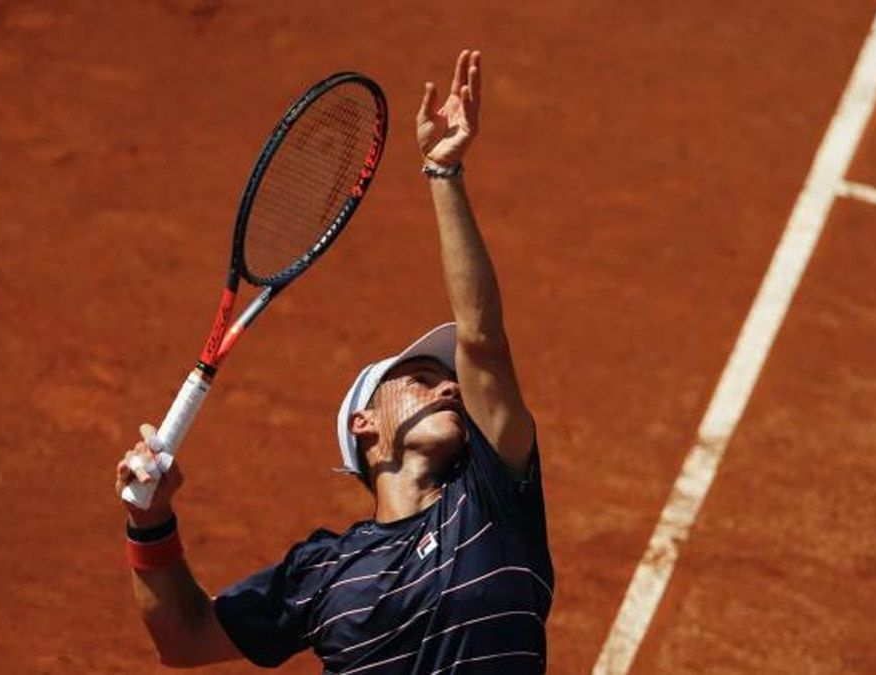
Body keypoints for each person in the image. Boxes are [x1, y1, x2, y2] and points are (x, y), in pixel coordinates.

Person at [115, 49, 553, 673]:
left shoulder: (492, 503)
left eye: (449, 383)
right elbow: (185, 638)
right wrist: (149, 519)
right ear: (362, 424)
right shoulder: (324, 571)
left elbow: (481, 339)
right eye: (423, 380)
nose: (450, 389)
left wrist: (443, 173)